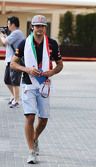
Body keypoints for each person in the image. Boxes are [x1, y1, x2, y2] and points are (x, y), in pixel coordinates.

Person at [10, 15, 63, 164]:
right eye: (37, 26)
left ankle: (34, 138)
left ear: (45, 28)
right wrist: (27, 69)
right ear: (32, 27)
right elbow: (13, 64)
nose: (39, 28)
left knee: (44, 119)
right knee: (30, 117)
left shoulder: (52, 44)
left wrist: (51, 72)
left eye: (42, 26)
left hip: (44, 84)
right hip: (28, 84)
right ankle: (31, 151)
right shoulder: (24, 43)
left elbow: (60, 64)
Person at [0, 16, 25, 108]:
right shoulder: (14, 33)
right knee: (7, 80)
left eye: (8, 24)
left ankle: (17, 100)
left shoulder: (17, 33)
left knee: (14, 81)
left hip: (15, 61)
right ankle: (14, 97)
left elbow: (5, 42)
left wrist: (1, 35)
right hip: (10, 60)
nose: (7, 25)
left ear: (13, 24)